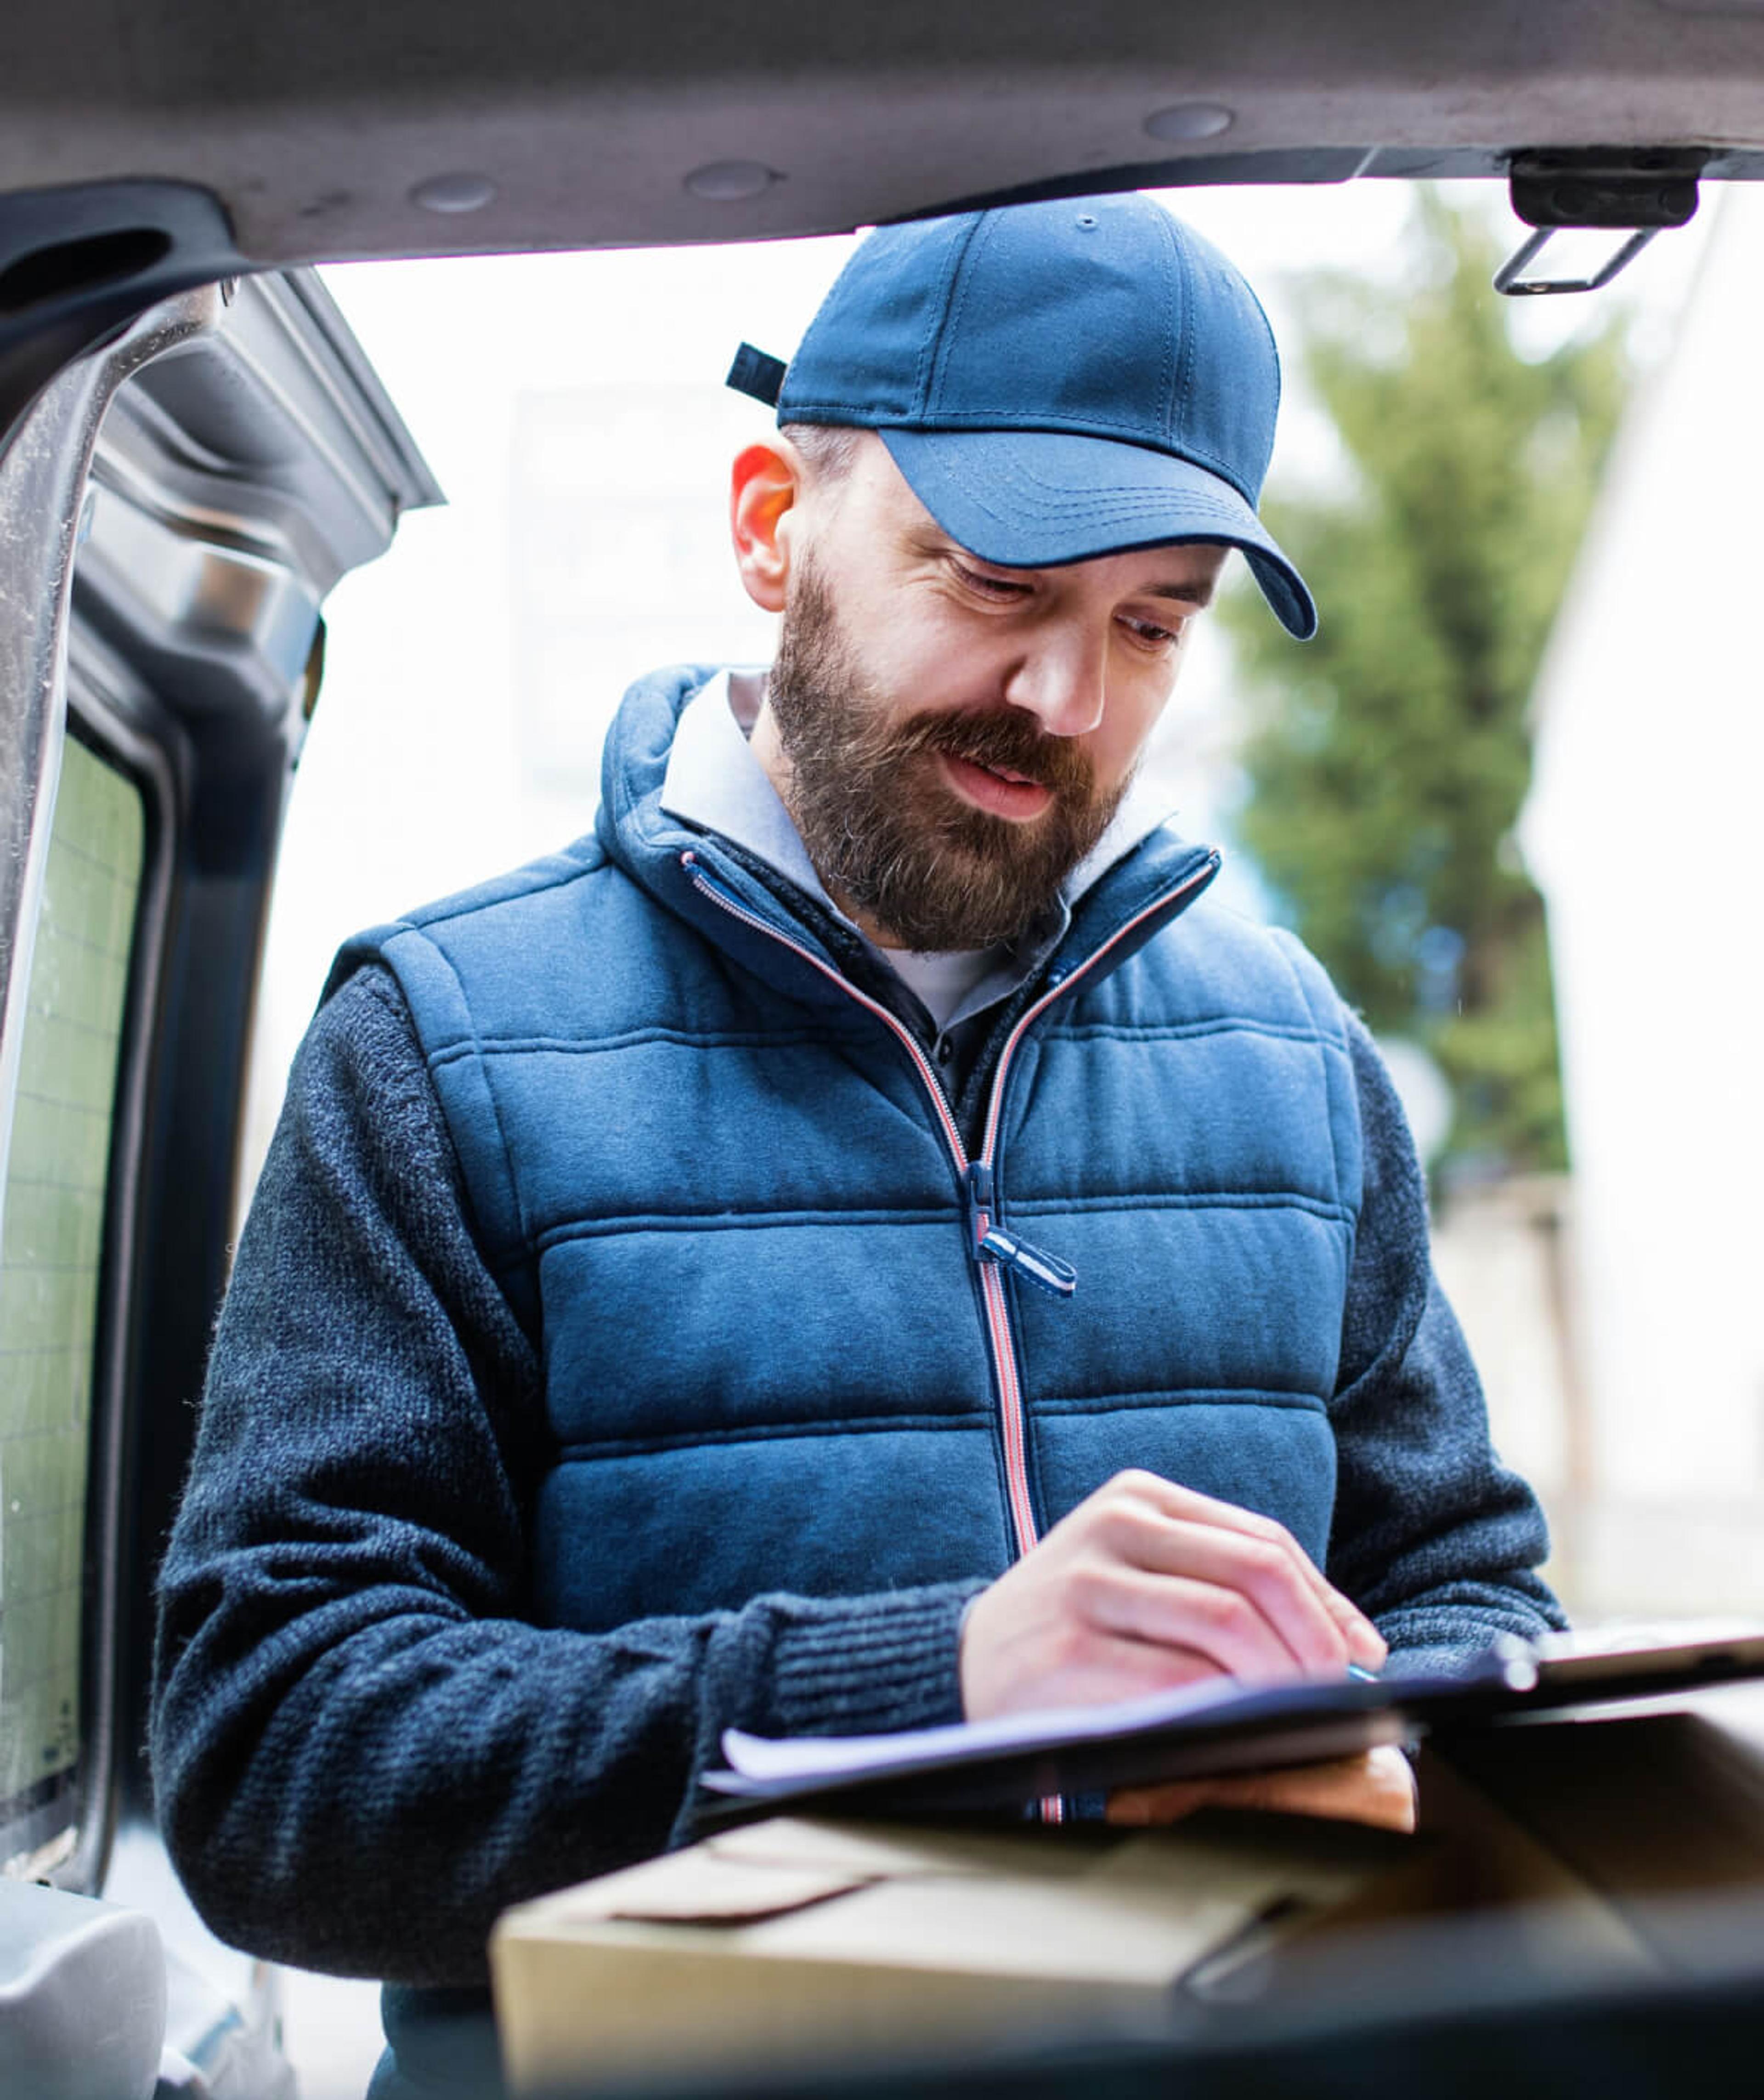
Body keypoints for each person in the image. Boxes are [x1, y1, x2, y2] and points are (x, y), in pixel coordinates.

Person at [151, 194, 1563, 2092]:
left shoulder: (1293, 1055)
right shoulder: (442, 1044)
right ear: (769, 526)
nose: (1069, 702)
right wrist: (937, 1692)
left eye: (1150, 624)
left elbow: (1472, 1593)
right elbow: (273, 1759)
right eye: (993, 587)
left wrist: (1392, 1732)